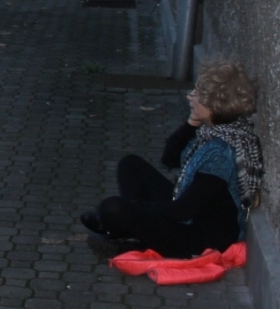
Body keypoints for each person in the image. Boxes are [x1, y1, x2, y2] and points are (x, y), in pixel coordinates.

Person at [80, 62, 262, 258]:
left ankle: (131, 234)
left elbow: (183, 210)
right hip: (191, 215)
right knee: (130, 164)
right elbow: (170, 158)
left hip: (202, 239)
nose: (190, 96)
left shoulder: (220, 153)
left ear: (213, 105)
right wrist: (192, 122)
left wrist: (136, 209)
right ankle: (131, 233)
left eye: (197, 93)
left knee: (112, 207)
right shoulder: (217, 131)